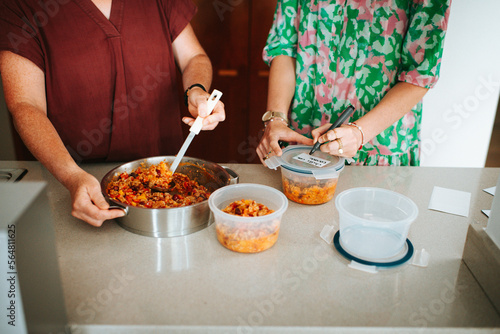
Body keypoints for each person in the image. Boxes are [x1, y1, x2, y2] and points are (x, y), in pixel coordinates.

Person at [0, 0, 225, 226]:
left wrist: (196, 91)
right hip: (74, 178)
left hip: (163, 167)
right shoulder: (21, 6)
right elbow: (25, 104)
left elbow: (193, 57)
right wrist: (71, 176)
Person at [257, 0, 451, 166]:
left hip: (377, 148)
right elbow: (284, 45)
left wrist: (360, 133)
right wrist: (276, 118)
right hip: (302, 138)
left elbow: (419, 73)